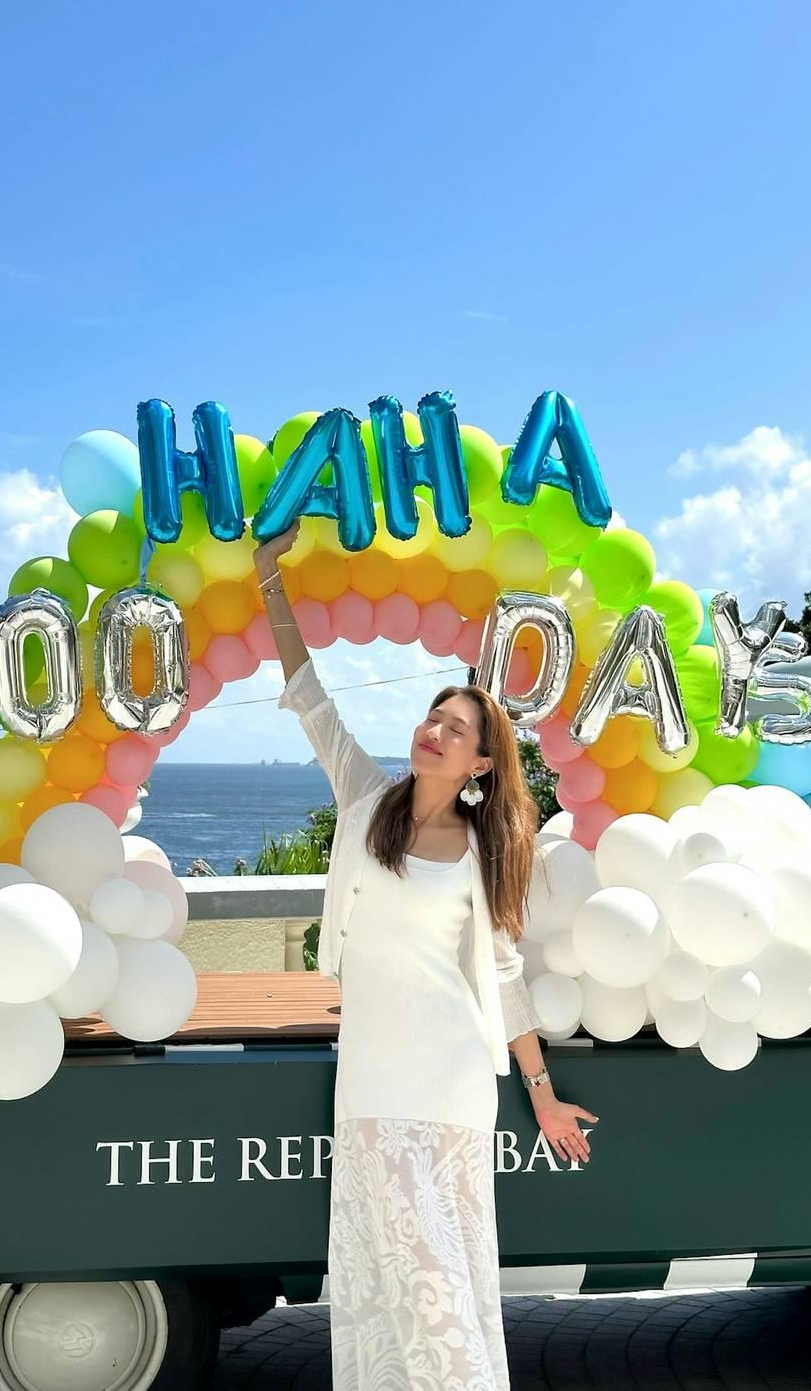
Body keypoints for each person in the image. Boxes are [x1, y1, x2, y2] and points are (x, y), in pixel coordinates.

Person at [254, 520, 599, 1391]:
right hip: (370, 1080)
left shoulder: (484, 853)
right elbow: (309, 695)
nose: (434, 731)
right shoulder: (365, 803)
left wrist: (544, 1097)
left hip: (448, 1085)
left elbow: (504, 977)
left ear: (481, 763)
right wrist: (268, 580)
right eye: (431, 718)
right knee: (382, 1286)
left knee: (440, 1284)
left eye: (455, 729)